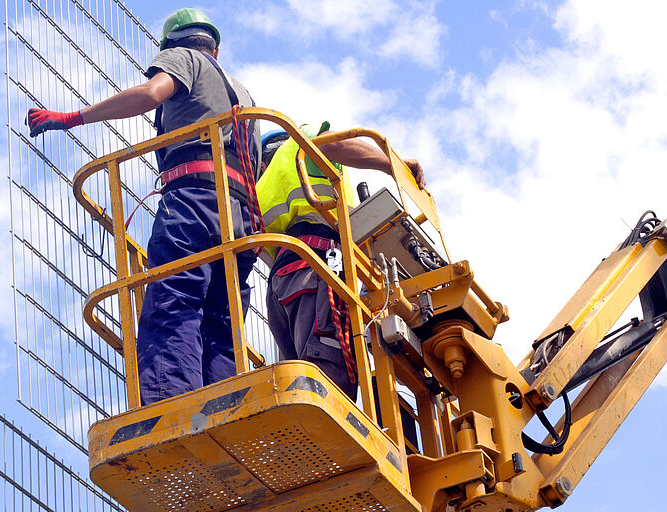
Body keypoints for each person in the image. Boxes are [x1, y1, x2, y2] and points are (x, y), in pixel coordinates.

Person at [27, 9, 260, 407]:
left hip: (194, 201)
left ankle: (169, 408)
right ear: (215, 48)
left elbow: (152, 93)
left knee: (174, 298)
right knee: (222, 320)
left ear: (171, 45)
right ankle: (229, 406)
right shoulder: (245, 95)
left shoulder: (185, 58)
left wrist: (74, 117)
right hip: (240, 218)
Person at [257, 122, 424, 398]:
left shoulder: (259, 190)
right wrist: (391, 163)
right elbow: (333, 144)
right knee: (328, 376)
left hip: (282, 282)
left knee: (298, 380)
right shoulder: (297, 146)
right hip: (317, 264)